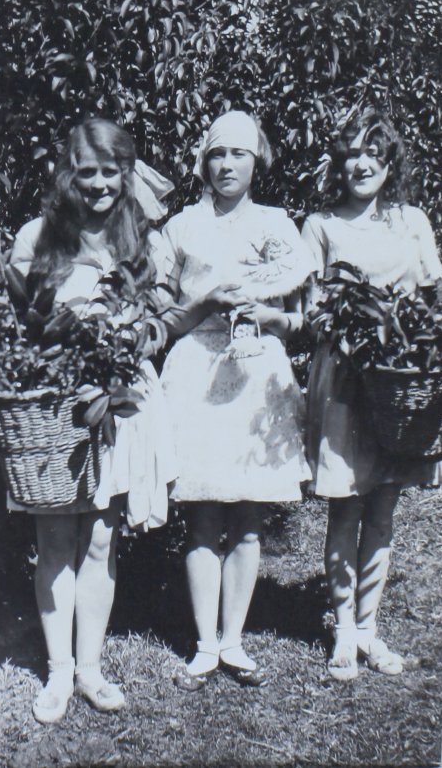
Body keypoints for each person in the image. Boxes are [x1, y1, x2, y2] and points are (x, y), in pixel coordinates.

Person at [9, 118, 176, 722]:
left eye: (111, 172)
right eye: (87, 172)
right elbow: (17, 322)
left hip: (119, 403)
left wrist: (141, 336)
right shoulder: (38, 238)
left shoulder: (142, 241)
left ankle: (91, 670)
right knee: (54, 535)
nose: (99, 184)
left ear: (126, 174)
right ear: (68, 175)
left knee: (102, 537)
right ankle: (56, 674)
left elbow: (165, 315)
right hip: (55, 409)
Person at [160, 110, 315, 689]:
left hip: (255, 372)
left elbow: (296, 295)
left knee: (248, 517)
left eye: (239, 156)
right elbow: (165, 313)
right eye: (217, 155)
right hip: (199, 369)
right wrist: (204, 302)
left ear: (258, 163)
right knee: (202, 516)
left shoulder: (277, 223)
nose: (227, 166)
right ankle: (204, 645)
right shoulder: (181, 227)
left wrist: (266, 311)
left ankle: (234, 640)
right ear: (204, 161)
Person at [302, 106, 442, 681]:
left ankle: (369, 628)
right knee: (347, 502)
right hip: (343, 379)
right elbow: (309, 311)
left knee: (384, 507)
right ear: (339, 163)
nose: (361, 164)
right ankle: (341, 630)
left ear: (391, 162)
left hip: (399, 377)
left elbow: (434, 293)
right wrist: (348, 326)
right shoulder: (322, 226)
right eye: (351, 154)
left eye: (373, 153)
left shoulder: (411, 222)